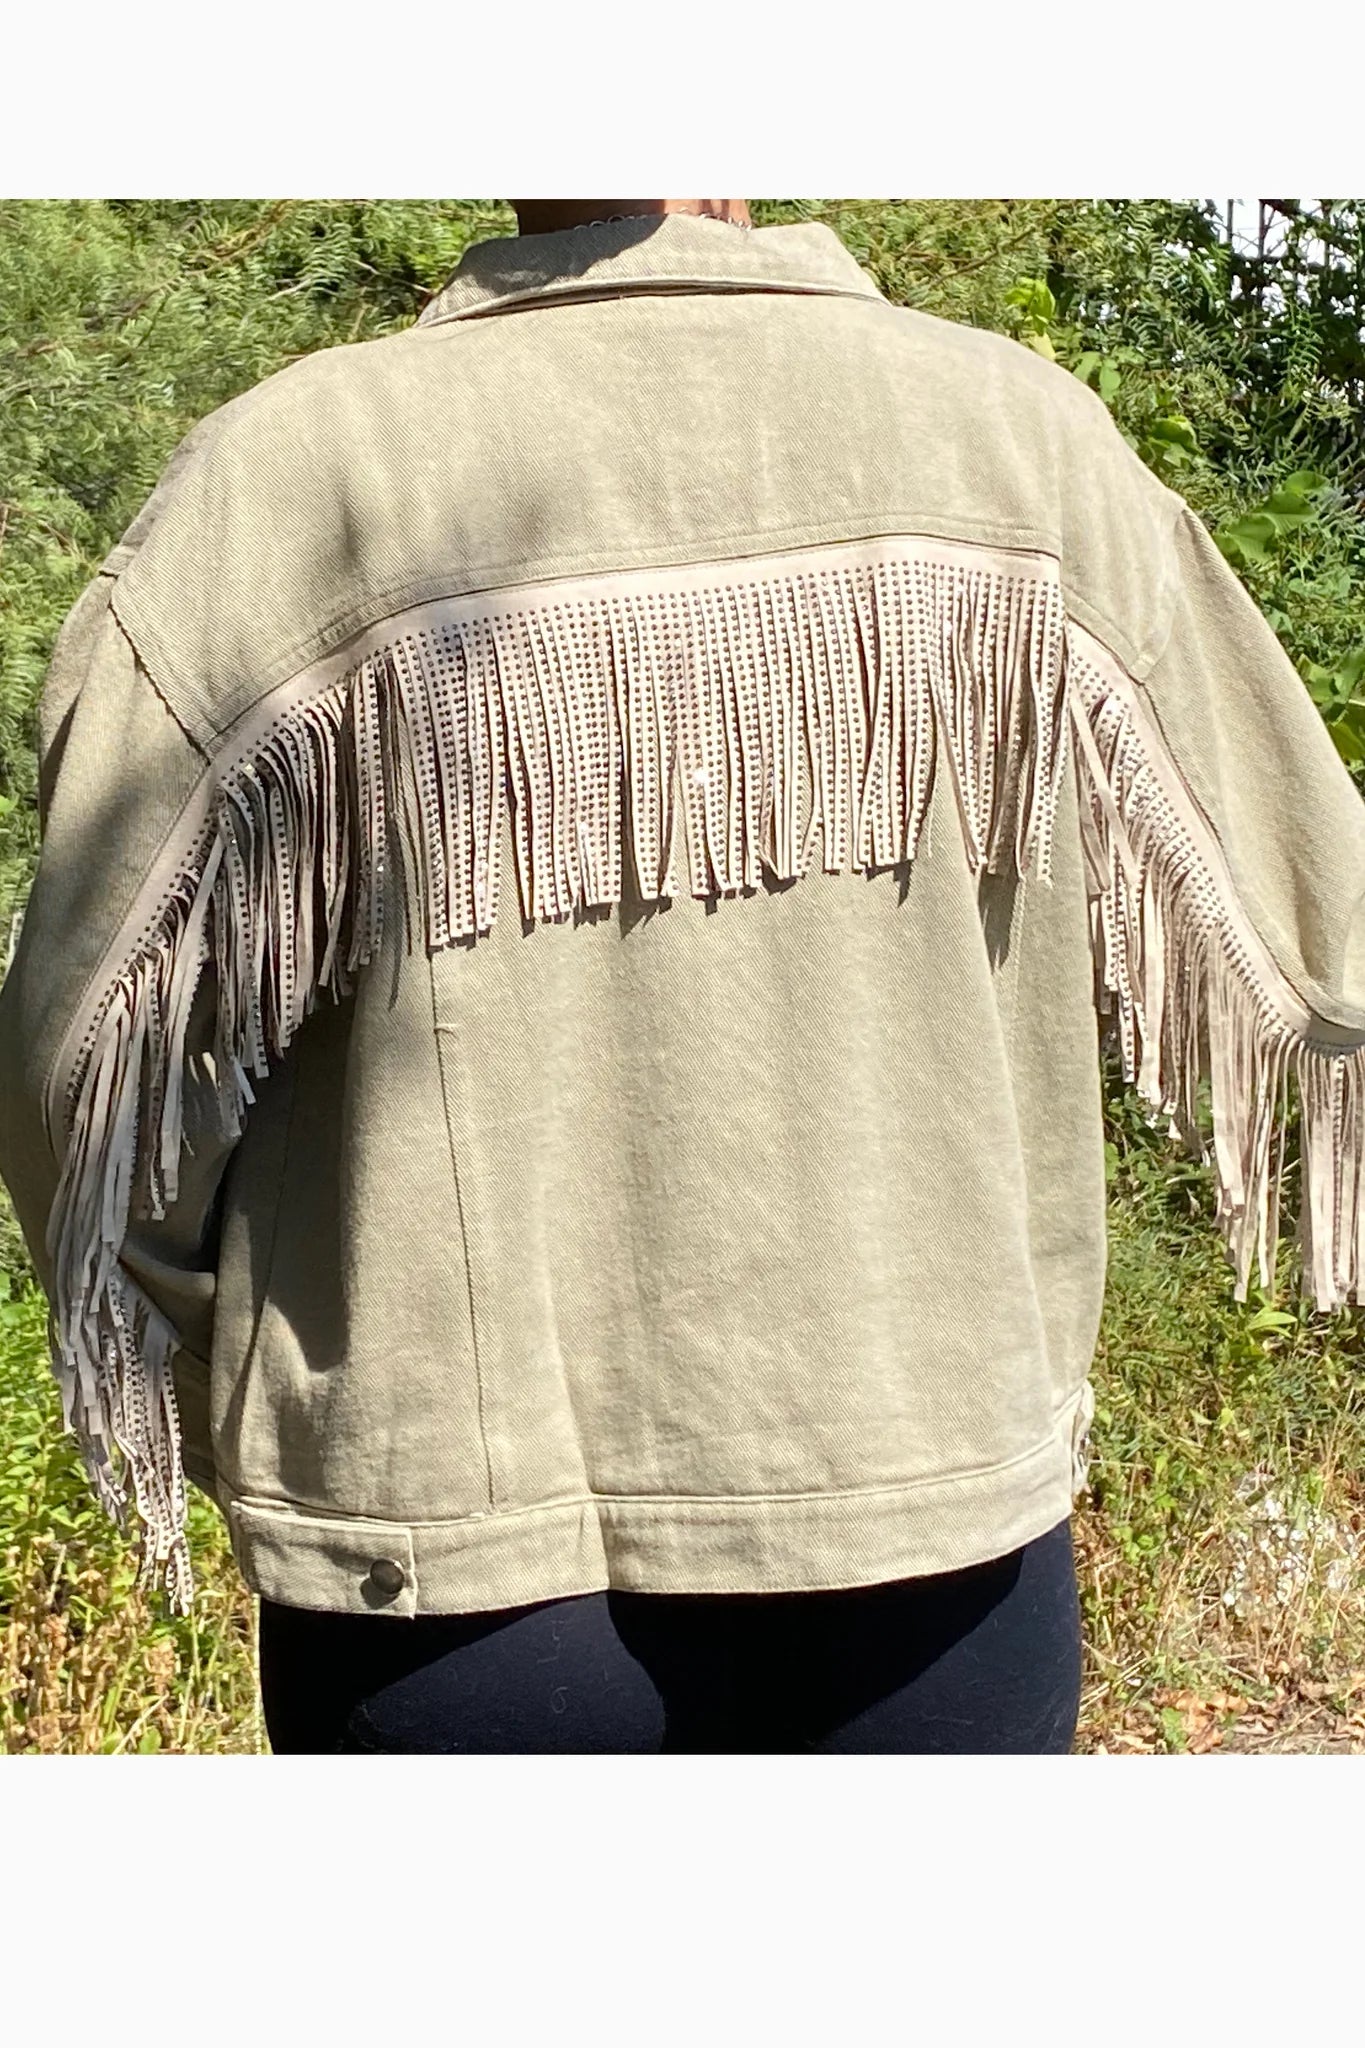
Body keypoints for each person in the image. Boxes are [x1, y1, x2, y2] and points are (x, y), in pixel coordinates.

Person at [1, 197, 1363, 1755]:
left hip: (441, 1558)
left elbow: (79, 1059)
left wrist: (209, 1371)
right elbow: (1319, 941)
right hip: (929, 1522)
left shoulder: (295, 474)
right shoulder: (1015, 438)